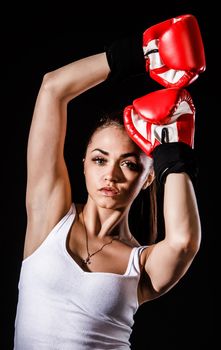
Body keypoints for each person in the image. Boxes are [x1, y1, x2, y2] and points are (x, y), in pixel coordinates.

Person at [13, 14, 205, 350]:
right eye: (100, 159)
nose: (110, 174)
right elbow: (52, 88)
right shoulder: (49, 218)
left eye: (129, 165)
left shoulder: (140, 264)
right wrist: (142, 53)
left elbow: (184, 242)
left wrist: (173, 154)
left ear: (148, 178)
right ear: (84, 164)